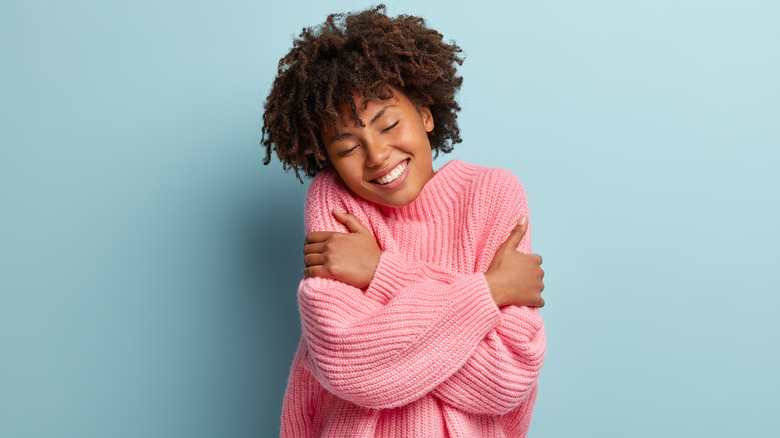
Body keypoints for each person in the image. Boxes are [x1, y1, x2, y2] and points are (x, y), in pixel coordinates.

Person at [262, 5, 546, 437]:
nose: (376, 155)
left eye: (388, 124)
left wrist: (379, 272)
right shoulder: (335, 200)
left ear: (426, 114)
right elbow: (346, 362)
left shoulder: (494, 194)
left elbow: (505, 376)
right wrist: (490, 291)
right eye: (347, 148)